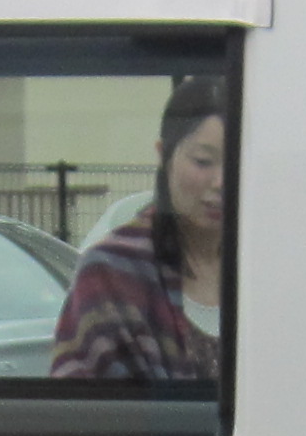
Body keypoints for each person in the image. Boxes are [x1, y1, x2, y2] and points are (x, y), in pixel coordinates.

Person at [52, 80, 226, 381]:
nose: (220, 182)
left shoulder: (273, 268)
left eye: (238, 162)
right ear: (163, 155)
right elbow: (83, 400)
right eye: (203, 162)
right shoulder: (110, 272)